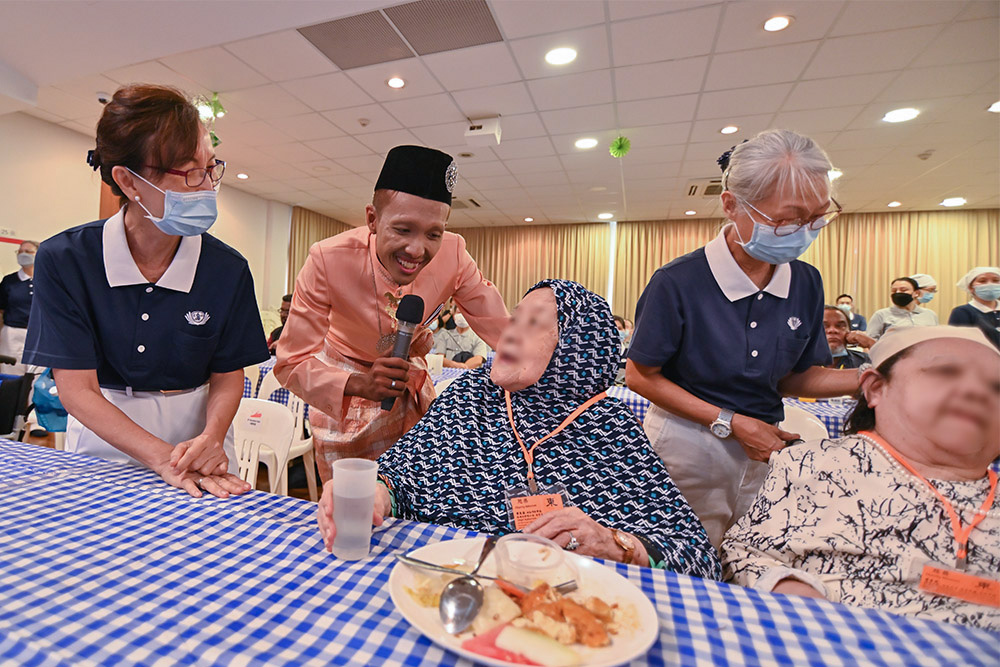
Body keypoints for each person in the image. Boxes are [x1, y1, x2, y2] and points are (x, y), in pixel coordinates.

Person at [318, 280, 721, 578]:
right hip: (435, 582)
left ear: (576, 347)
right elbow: (399, 476)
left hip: (553, 610)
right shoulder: (470, 396)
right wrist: (375, 493)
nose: (510, 331)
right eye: (514, 318)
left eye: (534, 323)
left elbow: (696, 555)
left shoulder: (608, 426)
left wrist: (618, 544)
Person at [23, 84, 268, 499]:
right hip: (106, 438)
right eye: (190, 172)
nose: (207, 186)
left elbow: (228, 375)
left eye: (211, 168)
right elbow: (77, 388)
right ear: (128, 181)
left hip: (199, 443)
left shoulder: (226, 269)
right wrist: (160, 457)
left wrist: (212, 436)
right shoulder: (67, 260)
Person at [625, 129, 860, 547]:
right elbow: (641, 377)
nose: (805, 231)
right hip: (688, 445)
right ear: (732, 205)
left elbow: (794, 377)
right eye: (786, 220)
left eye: (817, 218)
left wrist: (872, 379)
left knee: (753, 555)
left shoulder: (805, 282)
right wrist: (730, 423)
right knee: (685, 556)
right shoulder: (678, 282)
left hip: (766, 443)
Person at [722, 326, 1000, 631]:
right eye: (946, 371)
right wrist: (790, 590)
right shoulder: (815, 466)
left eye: (997, 387)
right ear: (876, 388)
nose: (977, 392)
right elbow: (745, 553)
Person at [274, 145, 509, 482]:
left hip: (409, 388)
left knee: (420, 496)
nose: (417, 250)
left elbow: (503, 330)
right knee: (352, 507)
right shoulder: (328, 259)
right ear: (372, 218)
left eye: (433, 234)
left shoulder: (454, 254)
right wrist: (361, 383)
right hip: (344, 384)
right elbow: (290, 362)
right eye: (402, 229)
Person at [859, 277, 939, 346]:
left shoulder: (930, 315)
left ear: (916, 293)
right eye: (894, 291)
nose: (898, 293)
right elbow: (869, 343)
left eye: (903, 290)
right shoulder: (881, 315)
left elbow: (936, 340)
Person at [0, 240, 38, 374]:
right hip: (12, 334)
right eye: (20, 252)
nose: (23, 255)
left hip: (39, 334)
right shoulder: (9, 281)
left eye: (28, 252)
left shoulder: (46, 280)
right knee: (10, 373)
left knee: (35, 377)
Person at [949, 266, 1000, 349]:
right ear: (970, 287)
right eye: (982, 281)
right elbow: (958, 346)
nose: (990, 284)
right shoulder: (963, 312)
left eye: (996, 280)